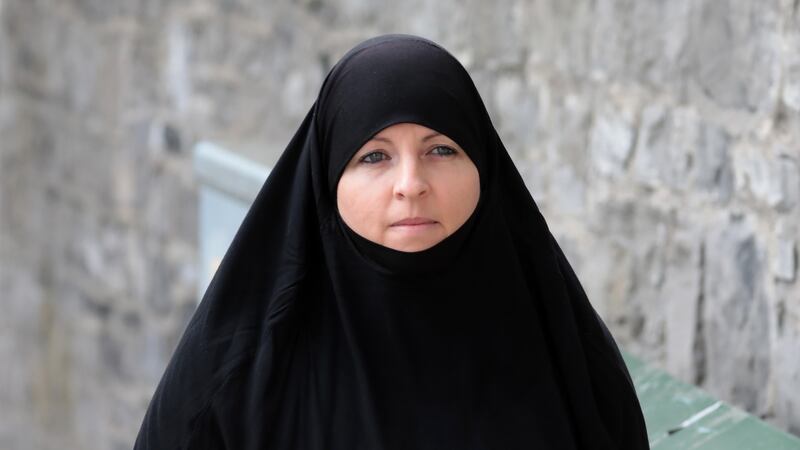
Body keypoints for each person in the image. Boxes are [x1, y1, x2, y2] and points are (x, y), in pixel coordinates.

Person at [134, 34, 650, 449]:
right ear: (327, 180)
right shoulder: (238, 377)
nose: (411, 184)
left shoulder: (564, 351)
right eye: (374, 157)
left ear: (485, 168)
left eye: (441, 149)